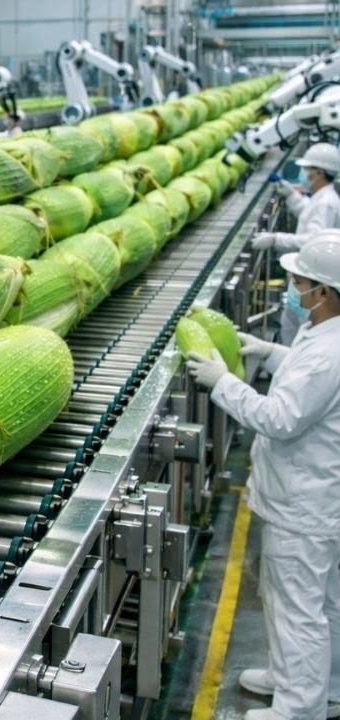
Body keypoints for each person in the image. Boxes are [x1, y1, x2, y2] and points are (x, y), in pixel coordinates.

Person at [185, 233, 340, 720]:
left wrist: (223, 383)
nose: (294, 287)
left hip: (305, 501)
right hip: (317, 494)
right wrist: (267, 352)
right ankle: (320, 683)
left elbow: (280, 418)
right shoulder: (325, 330)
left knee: (296, 605)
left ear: (326, 291)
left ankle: (299, 708)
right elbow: (305, 378)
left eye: (301, 282)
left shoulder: (327, 351)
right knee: (322, 601)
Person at [252, 143, 340, 343]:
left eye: (306, 169)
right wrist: (292, 195)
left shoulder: (326, 202)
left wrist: (275, 239)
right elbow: (308, 213)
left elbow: (313, 238)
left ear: (317, 173)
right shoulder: (323, 198)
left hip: (313, 281)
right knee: (291, 325)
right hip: (307, 279)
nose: (303, 173)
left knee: (304, 331)